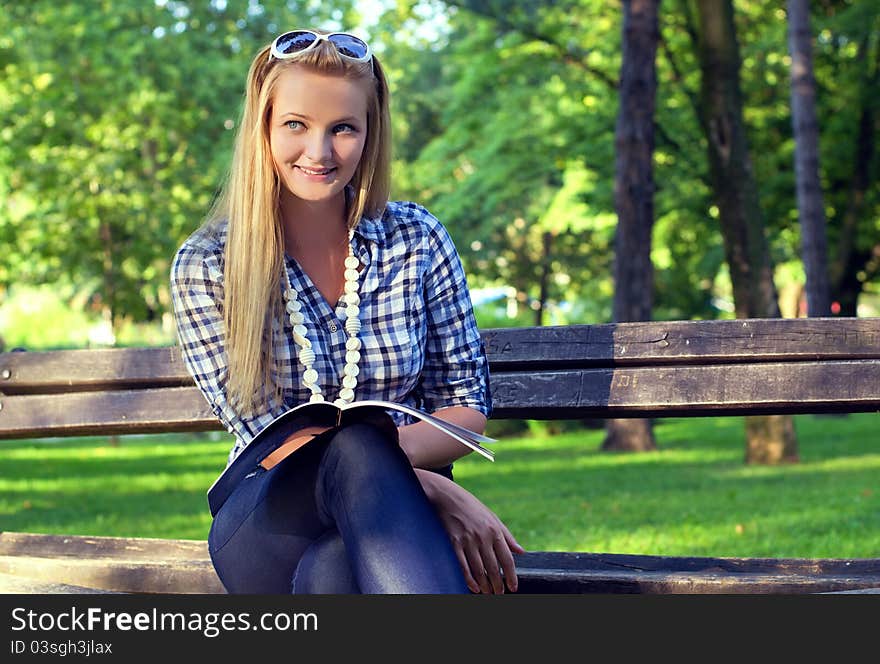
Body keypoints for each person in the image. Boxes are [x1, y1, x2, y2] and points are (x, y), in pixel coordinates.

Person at [170, 29, 523, 594]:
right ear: (263, 129)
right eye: (296, 125)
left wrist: (389, 476)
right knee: (355, 446)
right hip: (267, 517)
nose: (320, 151)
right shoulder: (209, 265)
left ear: (369, 135)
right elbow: (266, 434)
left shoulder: (416, 239)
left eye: (343, 128)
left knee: (333, 571)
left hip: (389, 526)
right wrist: (431, 486)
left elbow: (465, 405)